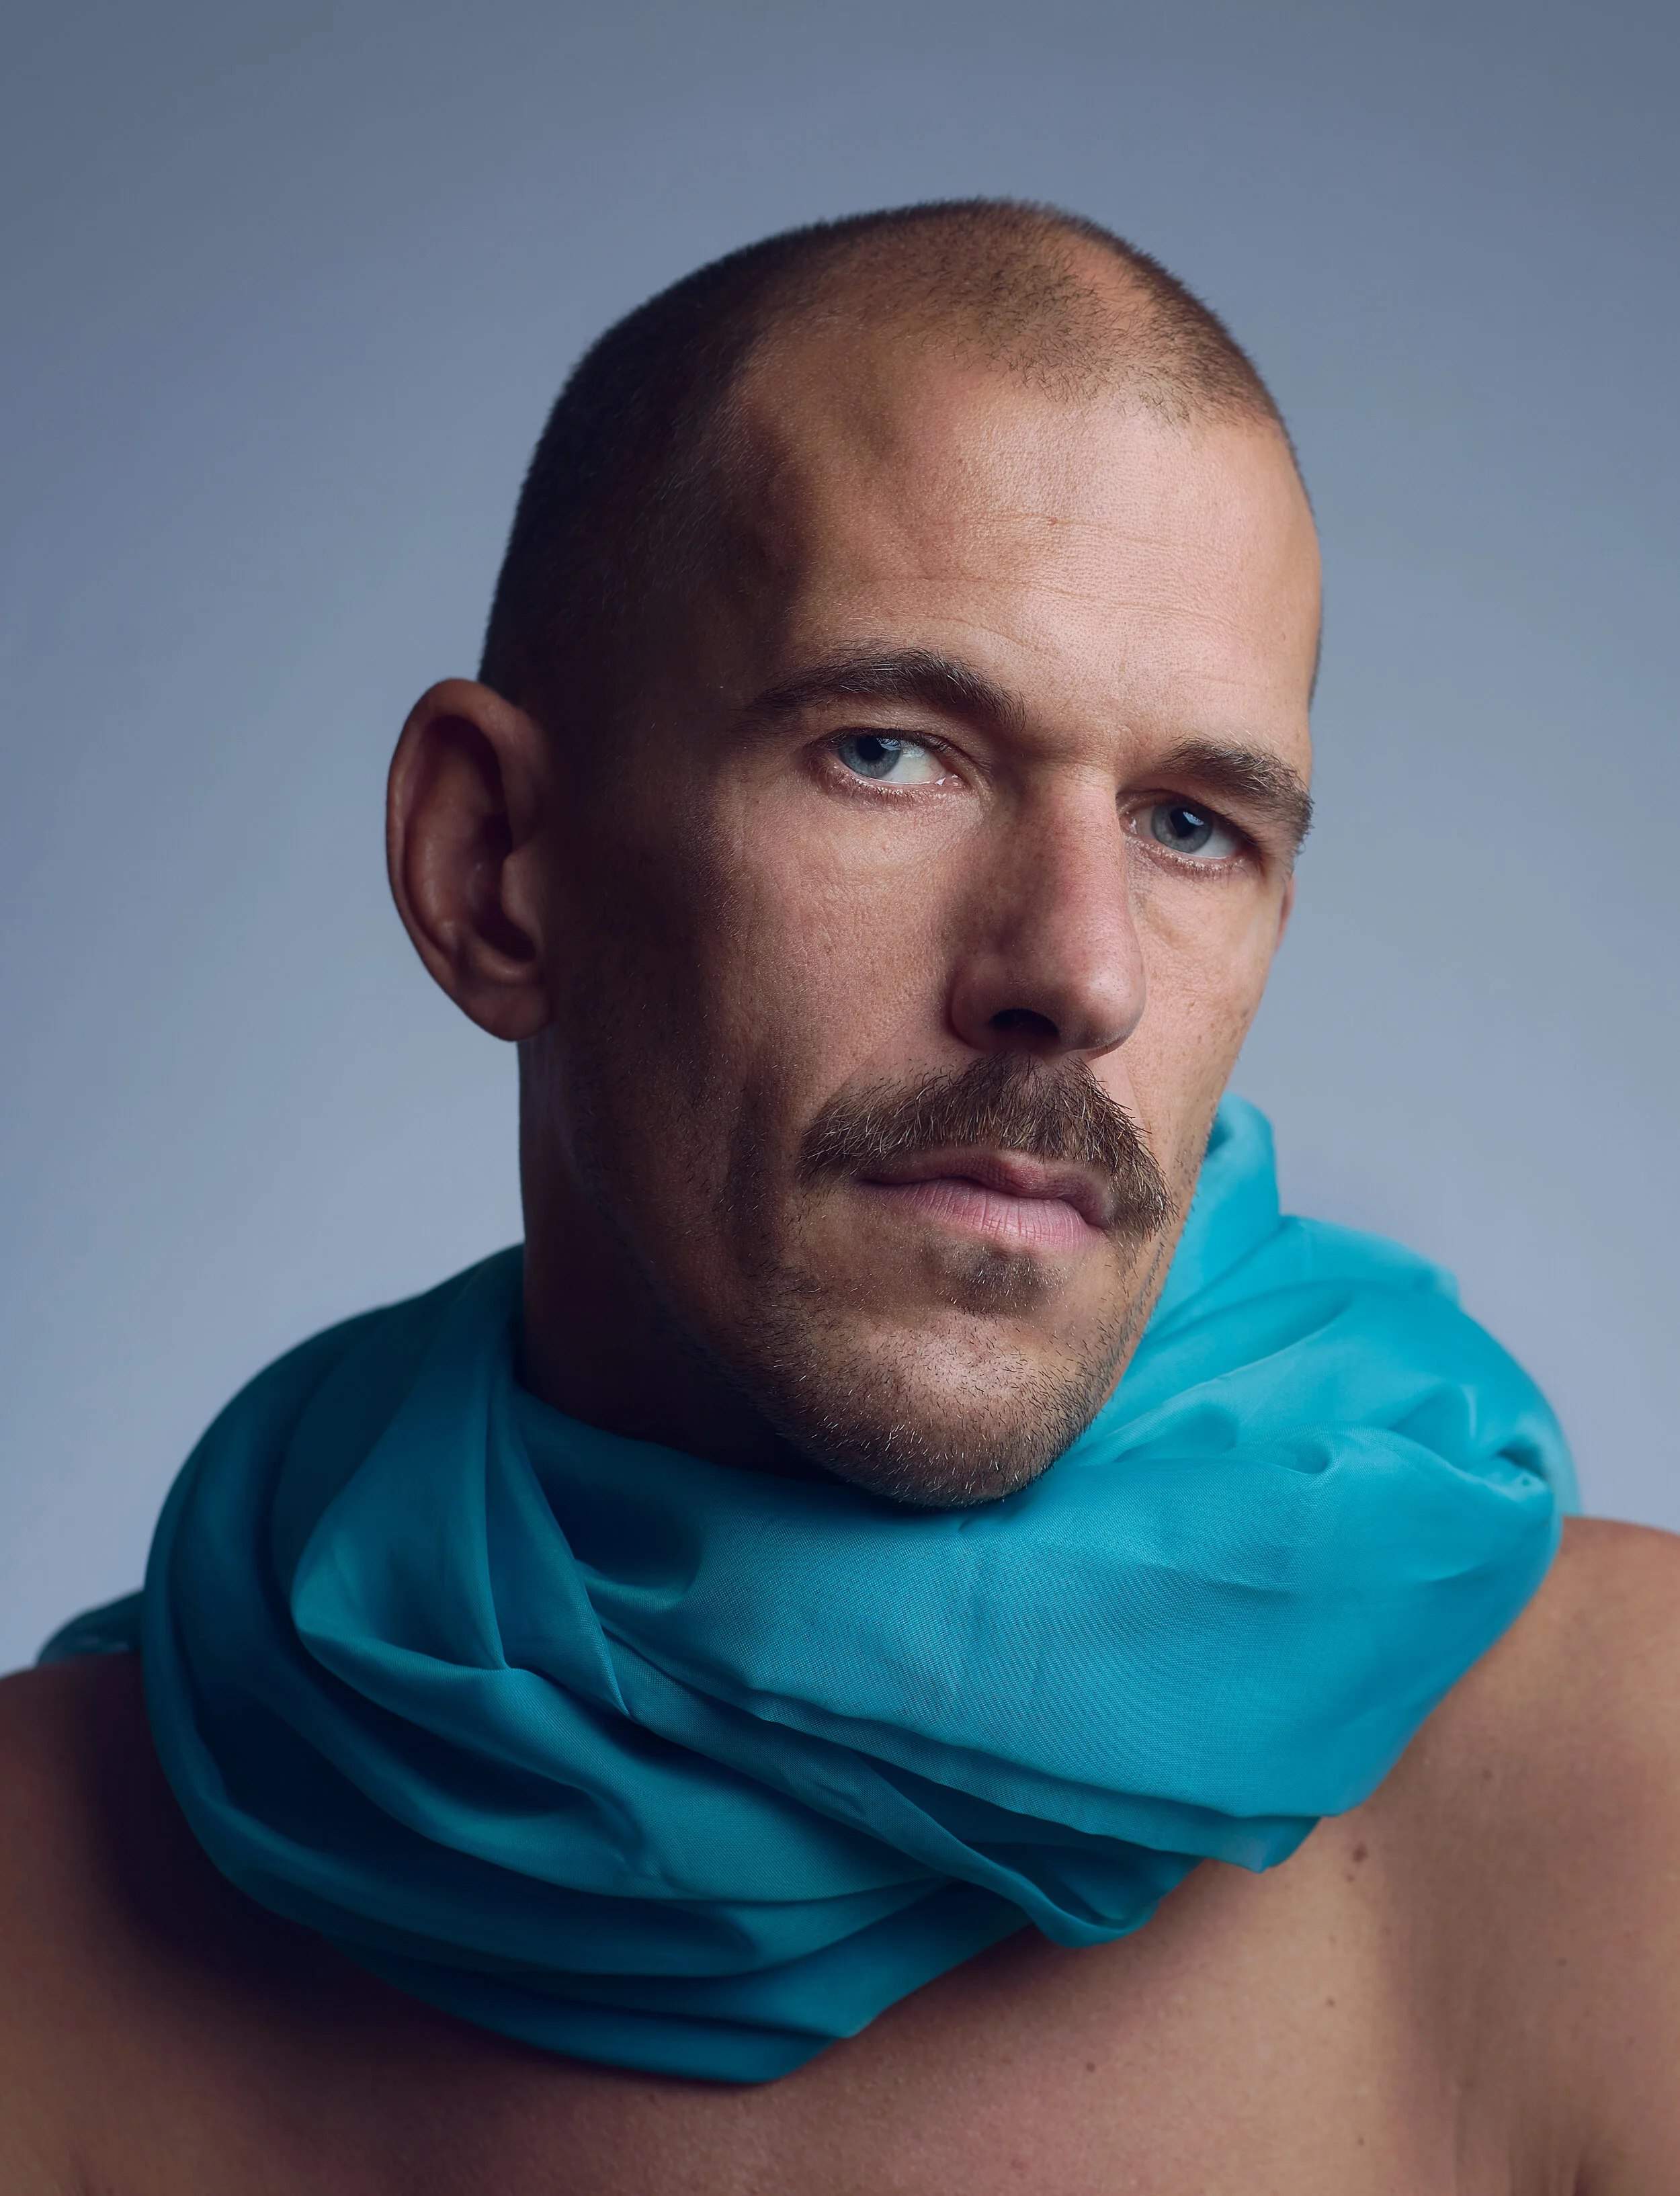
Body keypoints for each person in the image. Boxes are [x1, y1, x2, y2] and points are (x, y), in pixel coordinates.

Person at [3, 199, 1678, 2195]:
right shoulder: (49, 1893)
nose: (1078, 968)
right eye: (888, 750)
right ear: (492, 865)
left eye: (1187, 823)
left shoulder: (1621, 1797)